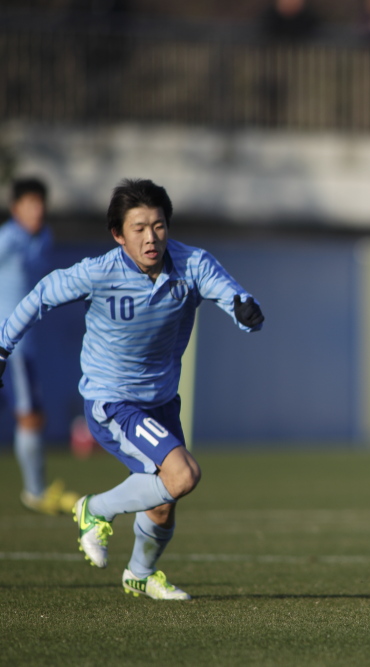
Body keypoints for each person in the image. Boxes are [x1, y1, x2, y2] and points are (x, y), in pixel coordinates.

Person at [0, 179, 264, 600]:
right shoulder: (99, 272)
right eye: (138, 228)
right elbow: (42, 296)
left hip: (161, 401)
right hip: (113, 401)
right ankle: (94, 509)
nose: (151, 237)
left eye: (158, 226)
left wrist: (246, 312)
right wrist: (2, 346)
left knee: (162, 502)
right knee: (182, 474)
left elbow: (232, 296)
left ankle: (140, 574)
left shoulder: (192, 264)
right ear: (118, 235)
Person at [0, 177, 81, 515]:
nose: (37, 210)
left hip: (26, 345)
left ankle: (36, 489)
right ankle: (35, 492)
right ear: (16, 208)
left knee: (33, 415)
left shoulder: (44, 237)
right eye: (30, 204)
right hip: (7, 344)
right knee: (31, 416)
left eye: (41, 203)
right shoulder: (8, 238)